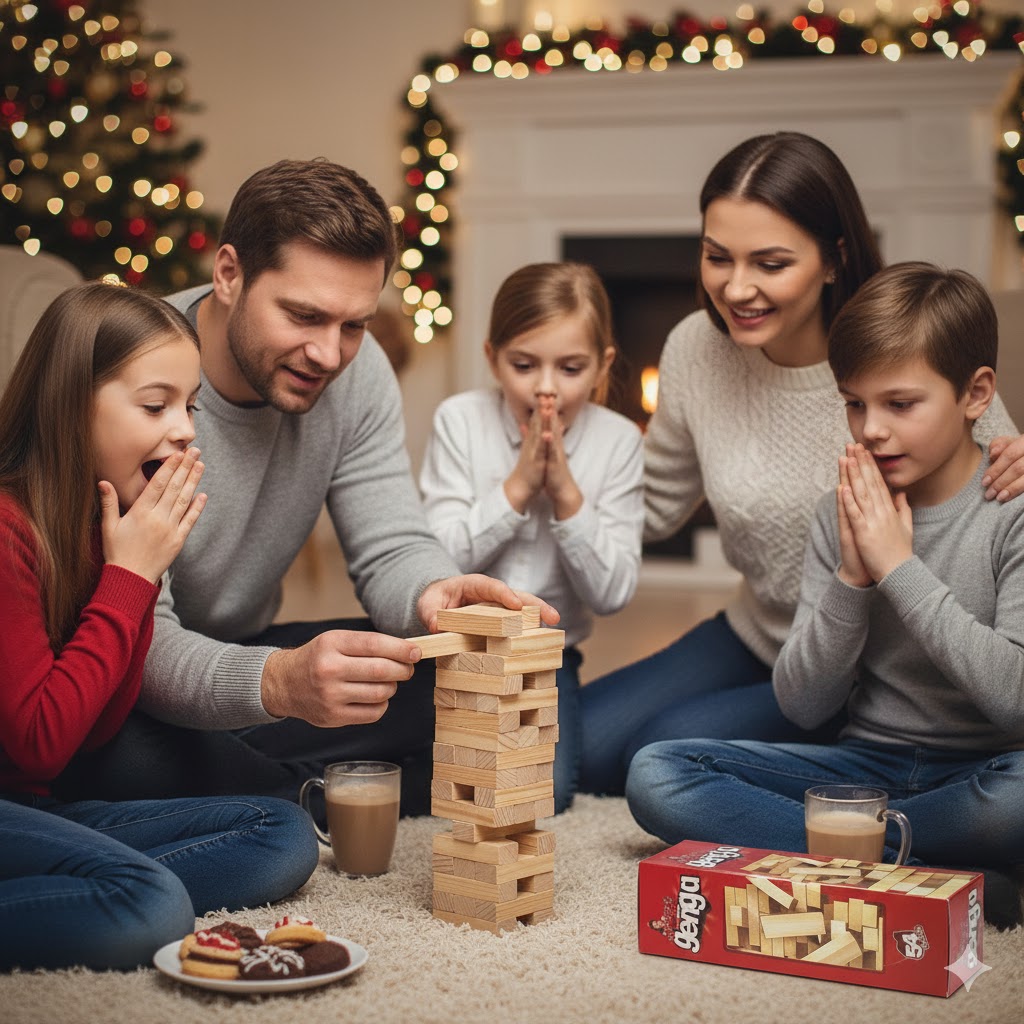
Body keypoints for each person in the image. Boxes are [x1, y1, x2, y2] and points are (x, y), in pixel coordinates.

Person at [55, 159, 556, 818]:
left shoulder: (359, 370)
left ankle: (277, 790)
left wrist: (435, 593)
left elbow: (391, 544)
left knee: (483, 688)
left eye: (353, 324)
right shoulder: (141, 385)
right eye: (303, 315)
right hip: (130, 672)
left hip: (247, 654)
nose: (329, 354)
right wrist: (278, 683)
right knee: (121, 752)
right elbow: (138, 644)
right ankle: (297, 795)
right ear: (229, 274)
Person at [578, 131, 1023, 796]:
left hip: (876, 661)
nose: (737, 287)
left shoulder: (901, 346)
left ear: (834, 259)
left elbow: (991, 470)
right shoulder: (696, 348)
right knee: (582, 744)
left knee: (658, 746)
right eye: (717, 257)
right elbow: (653, 501)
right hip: (762, 634)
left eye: (770, 263)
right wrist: (549, 486)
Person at [624, 262, 1024, 928]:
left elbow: (1015, 701)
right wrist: (852, 579)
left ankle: (864, 853)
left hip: (986, 769)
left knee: (1014, 802)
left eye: (900, 404)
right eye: (855, 403)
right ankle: (932, 867)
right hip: (862, 769)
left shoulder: (1011, 512)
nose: (871, 429)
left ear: (976, 394)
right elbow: (805, 706)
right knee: (658, 774)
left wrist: (898, 568)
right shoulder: (835, 516)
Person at [0, 283, 318, 971]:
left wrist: (142, 575)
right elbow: (40, 747)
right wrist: (133, 578)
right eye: (156, 405)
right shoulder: (7, 529)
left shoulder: (104, 526)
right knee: (149, 904)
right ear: (70, 405)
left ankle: (79, 885)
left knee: (282, 833)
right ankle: (110, 886)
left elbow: (98, 730)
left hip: (43, 808)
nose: (185, 429)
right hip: (20, 798)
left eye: (190, 405)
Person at [419, 262, 644, 812]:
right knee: (436, 761)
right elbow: (435, 561)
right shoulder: (459, 420)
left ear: (602, 366)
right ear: (493, 357)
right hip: (456, 650)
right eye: (523, 365)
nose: (546, 388)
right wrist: (517, 487)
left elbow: (612, 593)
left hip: (546, 661)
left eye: (570, 368)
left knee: (543, 793)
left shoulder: (618, 441)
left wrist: (566, 494)